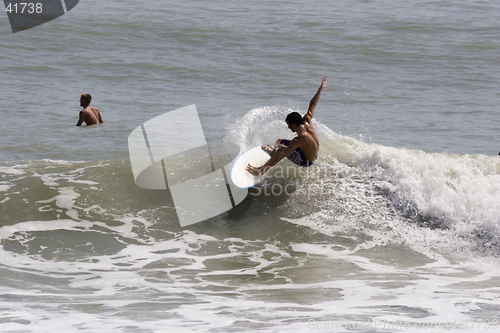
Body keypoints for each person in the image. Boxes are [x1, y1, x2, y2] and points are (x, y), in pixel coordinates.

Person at [247, 75, 327, 176]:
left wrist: (262, 168)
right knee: (279, 141)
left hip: (306, 161)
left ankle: (262, 170)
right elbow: (313, 104)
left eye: (289, 125)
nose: (288, 127)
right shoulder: (307, 120)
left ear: (294, 124)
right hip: (307, 151)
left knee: (281, 149)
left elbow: (283, 153)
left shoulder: (299, 139)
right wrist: (320, 89)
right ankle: (273, 153)